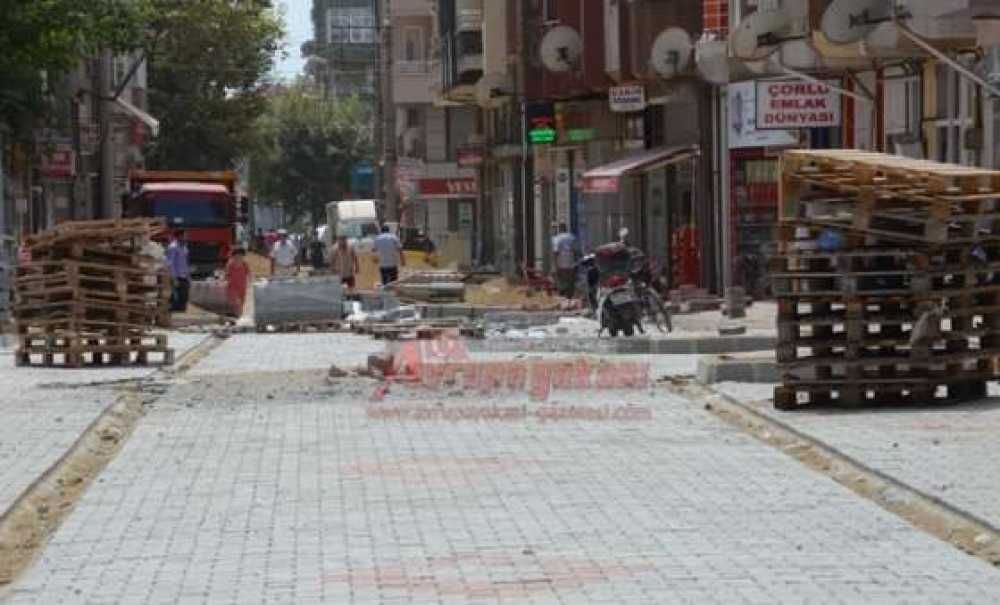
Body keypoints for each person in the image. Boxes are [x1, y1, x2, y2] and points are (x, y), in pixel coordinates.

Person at [165, 229, 191, 312]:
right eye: (184, 235)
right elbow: (170, 263)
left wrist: (188, 275)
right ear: (179, 236)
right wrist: (173, 278)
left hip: (184, 275)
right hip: (177, 276)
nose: (186, 237)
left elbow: (185, 262)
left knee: (184, 295)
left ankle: (181, 309)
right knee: (175, 295)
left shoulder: (184, 247)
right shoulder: (173, 247)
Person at [551, 222, 578, 298]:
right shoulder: (572, 237)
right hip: (571, 263)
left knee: (561, 282)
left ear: (560, 229)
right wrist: (576, 262)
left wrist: (555, 264)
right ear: (566, 228)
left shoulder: (557, 238)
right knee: (570, 282)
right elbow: (576, 251)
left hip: (561, 263)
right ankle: (569, 297)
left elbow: (555, 252)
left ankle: (562, 296)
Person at [225, 247, 251, 317]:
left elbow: (249, 274)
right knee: (237, 303)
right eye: (238, 255)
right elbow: (227, 275)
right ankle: (239, 318)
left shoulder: (245, 264)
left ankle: (237, 317)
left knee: (241, 305)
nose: (239, 257)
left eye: (241, 255)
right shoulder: (230, 264)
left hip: (242, 287)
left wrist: (250, 283)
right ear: (234, 255)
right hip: (232, 287)